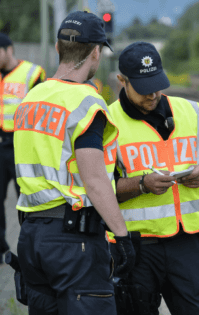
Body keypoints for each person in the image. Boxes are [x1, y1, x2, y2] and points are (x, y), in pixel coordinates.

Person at [13, 11, 135, 315]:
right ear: (96, 52)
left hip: (31, 237)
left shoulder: (31, 98)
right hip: (72, 242)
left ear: (58, 48)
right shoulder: (85, 102)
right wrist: (122, 236)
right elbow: (94, 180)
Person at [108, 41, 199, 315]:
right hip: (134, 247)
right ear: (121, 81)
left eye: (157, 84)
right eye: (143, 88)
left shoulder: (192, 112)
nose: (153, 94)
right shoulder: (106, 122)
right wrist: (141, 184)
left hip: (186, 241)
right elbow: (99, 188)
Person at [0, 33, 45, 264]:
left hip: (21, 146)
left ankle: (31, 248)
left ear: (9, 49)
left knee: (26, 198)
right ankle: (1, 248)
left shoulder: (32, 73)